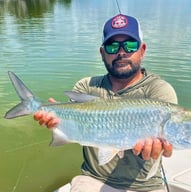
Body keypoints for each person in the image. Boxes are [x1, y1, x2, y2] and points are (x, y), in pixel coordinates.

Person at [34, 14, 178, 192]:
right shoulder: (86, 86)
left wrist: (159, 149)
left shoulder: (159, 91)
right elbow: (71, 124)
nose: (121, 52)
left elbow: (166, 141)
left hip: (145, 186)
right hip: (92, 180)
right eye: (112, 46)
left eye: (130, 45)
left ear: (142, 50)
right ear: (102, 53)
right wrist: (56, 120)